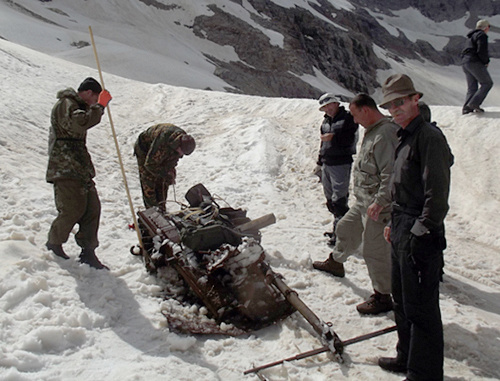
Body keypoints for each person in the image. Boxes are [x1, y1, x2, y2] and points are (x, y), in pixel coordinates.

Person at [378, 74, 453, 381]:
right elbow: (401, 186)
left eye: (401, 102)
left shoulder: (429, 137)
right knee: (401, 299)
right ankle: (405, 357)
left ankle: (424, 373)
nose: (396, 108)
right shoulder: (405, 134)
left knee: (421, 307)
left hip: (419, 229)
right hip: (400, 223)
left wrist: (421, 232)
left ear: (414, 100)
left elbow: (437, 195)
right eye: (391, 104)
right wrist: (393, 224)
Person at [313, 94, 398, 315]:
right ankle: (336, 262)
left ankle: (383, 295)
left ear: (366, 110)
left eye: (356, 115)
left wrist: (380, 202)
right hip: (364, 201)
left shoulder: (385, 133)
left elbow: (391, 173)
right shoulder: (374, 130)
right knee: (345, 228)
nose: (355, 121)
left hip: (377, 206)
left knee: (374, 251)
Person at [45, 77, 112, 270]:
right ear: (89, 93)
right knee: (72, 208)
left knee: (92, 208)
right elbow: (79, 123)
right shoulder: (66, 104)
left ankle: (88, 251)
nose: (93, 103)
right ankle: (54, 244)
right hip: (65, 167)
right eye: (95, 98)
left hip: (79, 167)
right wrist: (100, 107)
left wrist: (98, 107)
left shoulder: (76, 105)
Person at [315, 93, 358, 245]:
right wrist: (319, 162)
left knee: (339, 200)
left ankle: (342, 235)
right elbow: (323, 144)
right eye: (324, 107)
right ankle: (338, 229)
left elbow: (349, 139)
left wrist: (333, 137)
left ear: (336, 104)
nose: (327, 109)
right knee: (330, 199)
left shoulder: (348, 118)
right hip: (327, 163)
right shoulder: (326, 121)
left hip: (341, 163)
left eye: (329, 105)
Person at [134, 123, 195, 209]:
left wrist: (170, 172)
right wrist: (165, 173)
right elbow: (150, 164)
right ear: (179, 145)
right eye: (181, 152)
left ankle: (161, 208)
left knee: (163, 182)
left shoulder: (182, 141)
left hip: (163, 150)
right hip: (145, 150)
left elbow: (172, 160)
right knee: (149, 182)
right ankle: (152, 211)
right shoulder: (163, 140)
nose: (181, 155)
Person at [461, 19, 493, 115]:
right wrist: (486, 61)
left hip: (465, 62)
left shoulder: (470, 37)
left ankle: (466, 109)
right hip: (475, 62)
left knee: (472, 87)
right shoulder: (481, 35)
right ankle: (474, 103)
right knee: (487, 83)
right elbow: (481, 50)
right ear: (486, 27)